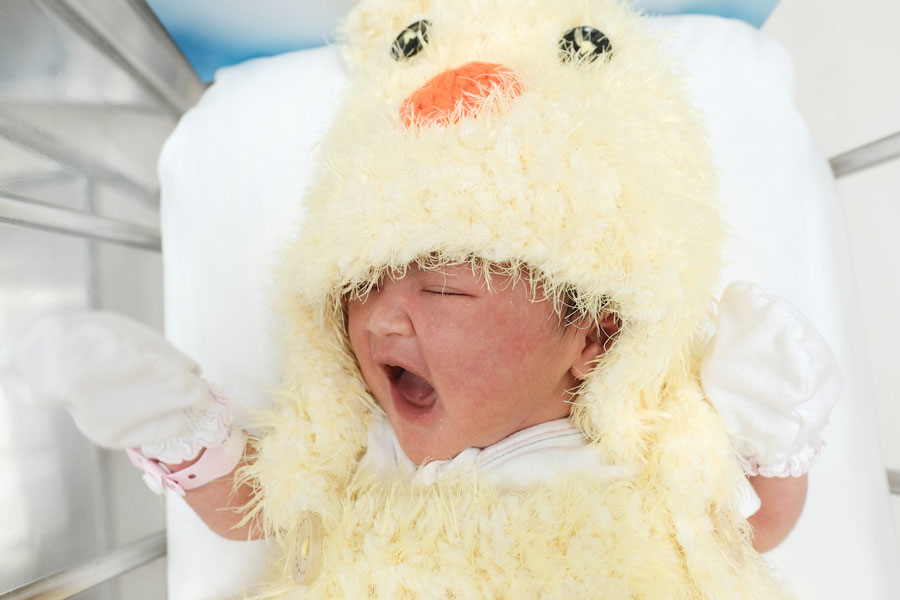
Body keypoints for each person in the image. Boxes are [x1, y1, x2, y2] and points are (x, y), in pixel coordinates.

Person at [0, 0, 840, 597]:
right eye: (360, 285)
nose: (379, 318)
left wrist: (771, 430)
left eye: (442, 288)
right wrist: (163, 414)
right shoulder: (370, 446)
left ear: (594, 335)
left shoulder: (634, 458)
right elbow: (250, 510)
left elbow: (751, 533)